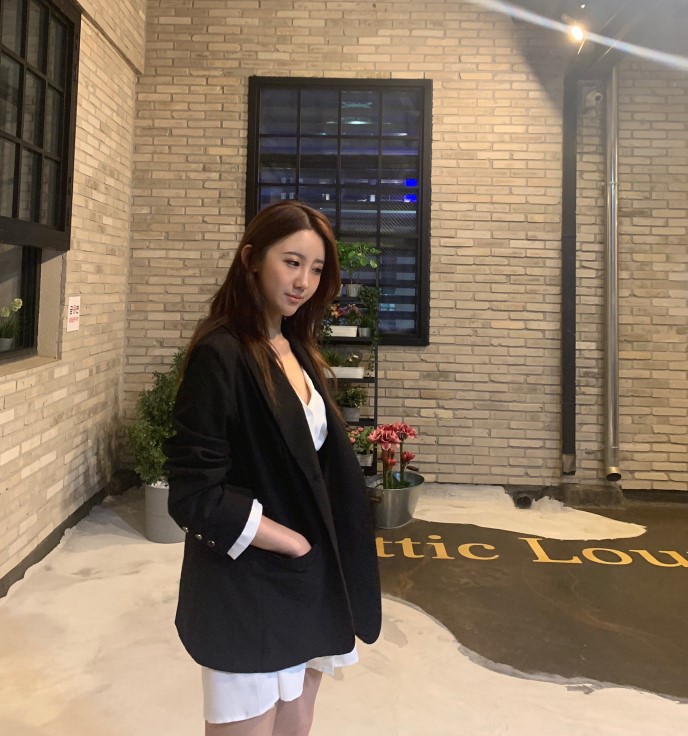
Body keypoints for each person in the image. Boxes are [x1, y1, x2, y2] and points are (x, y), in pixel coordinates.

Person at [163, 200, 382, 736]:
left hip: (309, 583)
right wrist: (290, 542)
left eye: (316, 269)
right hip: (248, 581)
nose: (304, 281)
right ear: (251, 260)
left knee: (295, 723)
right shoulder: (221, 353)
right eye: (291, 262)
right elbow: (194, 492)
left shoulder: (294, 346)